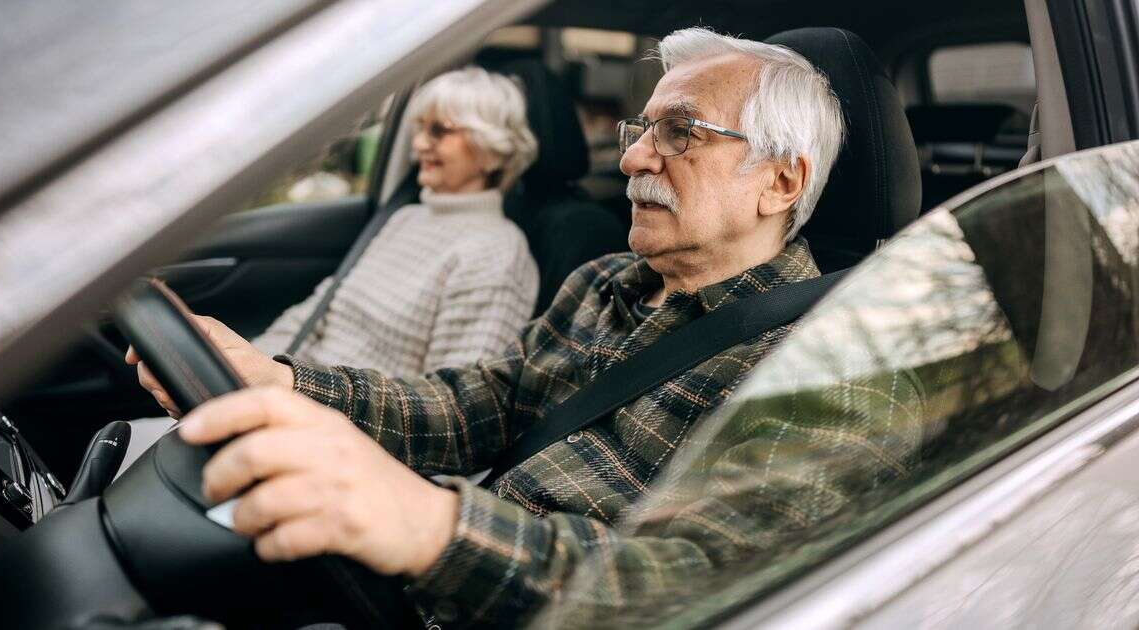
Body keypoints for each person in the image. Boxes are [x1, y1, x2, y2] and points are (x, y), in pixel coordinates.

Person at [130, 27, 847, 627]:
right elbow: (482, 405)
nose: (632, 157)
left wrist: (430, 525)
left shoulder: (827, 368)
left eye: (679, 131)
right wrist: (283, 381)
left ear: (780, 182)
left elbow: (700, 588)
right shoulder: (603, 283)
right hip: (427, 590)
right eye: (642, 129)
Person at [250, 66, 540, 378]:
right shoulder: (406, 218)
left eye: (439, 131)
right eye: (420, 128)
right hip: (293, 384)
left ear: (491, 152)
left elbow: (451, 403)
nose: (419, 144)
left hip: (342, 416)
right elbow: (318, 310)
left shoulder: (497, 255)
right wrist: (252, 363)